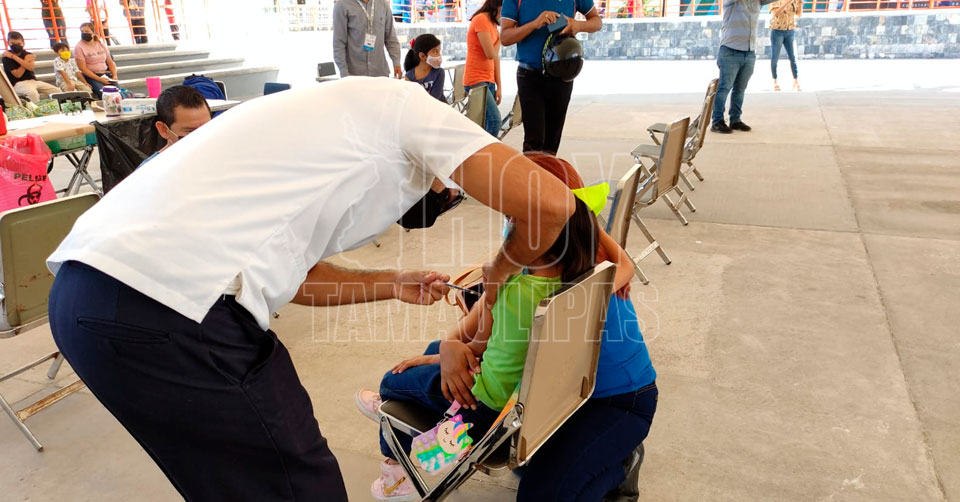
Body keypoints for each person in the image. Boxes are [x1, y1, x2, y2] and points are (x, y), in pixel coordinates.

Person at [46, 77, 577, 502]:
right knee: (298, 484)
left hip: (84, 297)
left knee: (235, 484)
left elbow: (293, 277)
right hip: (172, 306)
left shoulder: (332, 122)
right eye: (453, 188)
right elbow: (552, 204)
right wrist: (499, 271)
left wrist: (391, 283)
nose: (446, 196)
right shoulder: (418, 113)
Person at [356, 195, 599, 501]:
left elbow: (481, 342)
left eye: (514, 221)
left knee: (391, 382)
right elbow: (490, 345)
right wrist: (437, 355)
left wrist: (494, 290)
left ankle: (395, 474)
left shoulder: (515, 289)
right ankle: (414, 407)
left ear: (535, 239)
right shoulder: (568, 287)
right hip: (517, 401)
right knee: (435, 348)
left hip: (481, 406)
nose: (508, 227)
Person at [513, 153, 658, 502]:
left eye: (515, 213)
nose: (509, 223)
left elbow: (496, 339)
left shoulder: (586, 278)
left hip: (619, 401)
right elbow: (624, 263)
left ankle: (621, 467)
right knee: (524, 464)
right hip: (566, 396)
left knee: (541, 495)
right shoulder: (560, 255)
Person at [501, 0, 601, 154]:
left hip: (562, 74)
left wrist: (578, 25)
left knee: (552, 143)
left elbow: (597, 21)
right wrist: (534, 24)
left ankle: (548, 168)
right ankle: (533, 169)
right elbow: (505, 37)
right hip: (530, 76)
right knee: (534, 143)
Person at [710, 0, 776, 134]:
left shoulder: (757, 1)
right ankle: (717, 122)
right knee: (724, 87)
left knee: (740, 89)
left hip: (749, 52)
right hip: (730, 50)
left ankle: (735, 120)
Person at [138, 85, 213, 168]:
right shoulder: (150, 171)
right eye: (190, 131)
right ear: (164, 130)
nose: (202, 139)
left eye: (207, 128)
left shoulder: (219, 155)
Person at [333, 0, 403, 78]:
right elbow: (338, 43)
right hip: (354, 75)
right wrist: (344, 73)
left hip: (380, 73)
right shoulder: (342, 5)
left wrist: (396, 62)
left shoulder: (383, 5)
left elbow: (391, 38)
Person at [464, 0, 503, 137]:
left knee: (487, 122)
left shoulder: (493, 24)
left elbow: (496, 58)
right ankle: (488, 147)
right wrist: (501, 39)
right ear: (496, 6)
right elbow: (490, 54)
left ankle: (484, 147)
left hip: (488, 79)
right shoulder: (481, 20)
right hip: (476, 79)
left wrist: (499, 86)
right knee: (495, 121)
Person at [2, 32, 61, 103]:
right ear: (8, 43)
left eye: (19, 43)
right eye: (12, 43)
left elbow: (31, 67)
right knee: (32, 93)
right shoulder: (6, 57)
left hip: (33, 81)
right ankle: (36, 109)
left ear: (23, 43)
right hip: (18, 83)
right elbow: (18, 74)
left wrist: (14, 57)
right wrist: (24, 60)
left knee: (57, 91)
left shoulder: (27, 54)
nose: (16, 45)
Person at [75, 22, 119, 98]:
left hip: (106, 74)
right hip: (92, 76)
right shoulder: (79, 47)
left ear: (93, 32)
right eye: (82, 31)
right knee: (106, 95)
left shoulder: (100, 44)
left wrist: (114, 75)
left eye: (87, 31)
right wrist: (99, 79)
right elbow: (83, 68)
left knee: (118, 93)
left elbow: (110, 62)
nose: (84, 33)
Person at [770, 0, 801, 92]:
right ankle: (775, 81)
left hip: (790, 30)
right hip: (777, 30)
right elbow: (775, 13)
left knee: (793, 57)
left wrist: (800, 4)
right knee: (775, 57)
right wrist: (787, 2)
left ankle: (796, 80)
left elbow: (799, 14)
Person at [403, 34, 445, 102]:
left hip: (437, 106)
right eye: (435, 52)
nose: (439, 55)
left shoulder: (439, 72)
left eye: (439, 51)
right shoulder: (409, 76)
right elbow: (411, 98)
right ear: (422, 56)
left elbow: (435, 98)